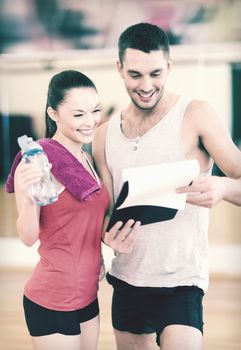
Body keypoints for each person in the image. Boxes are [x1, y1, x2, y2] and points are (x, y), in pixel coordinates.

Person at [92, 23, 241, 350]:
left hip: (181, 282)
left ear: (169, 66)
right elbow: (107, 211)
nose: (146, 86)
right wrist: (108, 233)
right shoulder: (103, 135)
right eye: (135, 75)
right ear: (119, 68)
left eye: (156, 74)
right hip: (128, 279)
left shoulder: (196, 114)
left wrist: (223, 188)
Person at [5, 70, 139, 350]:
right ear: (53, 114)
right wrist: (29, 202)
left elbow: (90, 220)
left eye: (95, 111)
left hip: (88, 293)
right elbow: (28, 237)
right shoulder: (36, 162)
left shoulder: (87, 159)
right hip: (52, 297)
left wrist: (111, 238)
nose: (90, 121)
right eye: (78, 115)